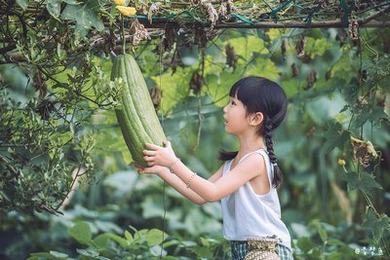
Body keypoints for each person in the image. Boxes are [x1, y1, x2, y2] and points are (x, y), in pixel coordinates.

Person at [135, 76, 294, 259]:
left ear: (255, 118)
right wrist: (162, 170)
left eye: (233, 103)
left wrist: (172, 162)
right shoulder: (233, 164)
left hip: (266, 251)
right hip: (244, 251)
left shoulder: (257, 160)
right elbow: (199, 195)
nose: (225, 109)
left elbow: (212, 192)